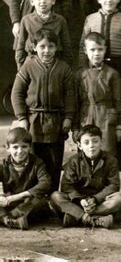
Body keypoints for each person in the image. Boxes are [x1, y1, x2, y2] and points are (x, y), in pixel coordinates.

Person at [11, 29, 75, 191]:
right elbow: (16, 93)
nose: (46, 51)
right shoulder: (28, 66)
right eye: (42, 46)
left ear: (56, 47)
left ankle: (53, 196)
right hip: (34, 121)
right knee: (35, 161)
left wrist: (68, 117)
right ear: (34, 47)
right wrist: (22, 118)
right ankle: (35, 195)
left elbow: (70, 95)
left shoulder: (63, 68)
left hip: (56, 121)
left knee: (54, 162)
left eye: (51, 46)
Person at [50, 125, 121, 229]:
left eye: (95, 141)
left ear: (101, 142)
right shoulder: (73, 161)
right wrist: (80, 200)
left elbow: (114, 185)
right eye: (86, 142)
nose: (91, 146)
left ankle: (75, 217)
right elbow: (66, 185)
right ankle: (92, 219)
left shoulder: (111, 160)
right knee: (55, 196)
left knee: (120, 198)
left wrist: (95, 199)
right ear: (79, 145)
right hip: (78, 201)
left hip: (99, 201)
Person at [74, 32, 121, 157]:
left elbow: (118, 101)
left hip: (105, 117)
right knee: (86, 152)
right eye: (92, 49)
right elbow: (75, 102)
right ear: (85, 50)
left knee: (106, 153)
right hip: (86, 116)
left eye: (100, 49)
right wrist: (75, 127)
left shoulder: (112, 74)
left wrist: (119, 125)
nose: (96, 53)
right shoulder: (80, 74)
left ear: (105, 49)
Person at [0, 127, 51, 230]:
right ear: (7, 148)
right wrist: (1, 196)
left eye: (24, 147)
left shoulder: (37, 163)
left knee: (41, 203)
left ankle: (6, 218)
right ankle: (10, 220)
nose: (20, 151)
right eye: (15, 147)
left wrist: (15, 197)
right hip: (8, 203)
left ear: (29, 147)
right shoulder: (2, 164)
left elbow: (45, 183)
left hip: (27, 203)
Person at [15, 0, 72, 70]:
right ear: (32, 1)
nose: (43, 1)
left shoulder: (60, 20)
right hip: (32, 63)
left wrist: (66, 68)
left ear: (53, 0)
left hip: (54, 64)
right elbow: (20, 47)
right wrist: (21, 69)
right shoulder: (26, 20)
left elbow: (67, 47)